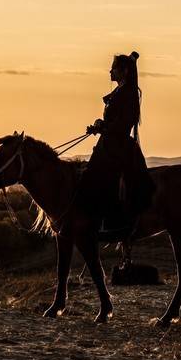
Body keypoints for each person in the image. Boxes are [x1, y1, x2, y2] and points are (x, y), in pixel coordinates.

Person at [74, 51, 155, 234]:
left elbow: (124, 123)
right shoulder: (121, 91)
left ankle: (110, 221)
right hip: (110, 143)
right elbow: (115, 121)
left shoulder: (128, 92)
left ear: (124, 71)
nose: (110, 72)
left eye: (113, 69)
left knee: (99, 177)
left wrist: (103, 127)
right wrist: (99, 126)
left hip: (117, 146)